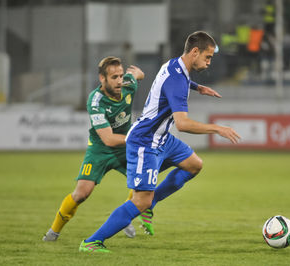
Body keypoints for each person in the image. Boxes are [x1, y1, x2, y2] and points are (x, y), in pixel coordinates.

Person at [79, 31, 241, 253]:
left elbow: (177, 80)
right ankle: (92, 242)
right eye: (208, 56)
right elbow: (182, 124)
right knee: (140, 201)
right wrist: (217, 128)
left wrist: (196, 87)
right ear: (195, 52)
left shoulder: (175, 65)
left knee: (194, 165)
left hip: (162, 138)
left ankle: (150, 205)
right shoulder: (177, 79)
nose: (209, 62)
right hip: (145, 141)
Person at [43, 56, 145, 241]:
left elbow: (138, 75)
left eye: (121, 75)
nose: (120, 81)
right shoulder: (96, 101)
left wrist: (137, 74)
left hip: (125, 147)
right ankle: (53, 232)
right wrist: (138, 138)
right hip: (100, 149)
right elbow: (108, 139)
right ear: (102, 79)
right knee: (81, 194)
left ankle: (124, 215)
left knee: (142, 185)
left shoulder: (128, 84)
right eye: (114, 77)